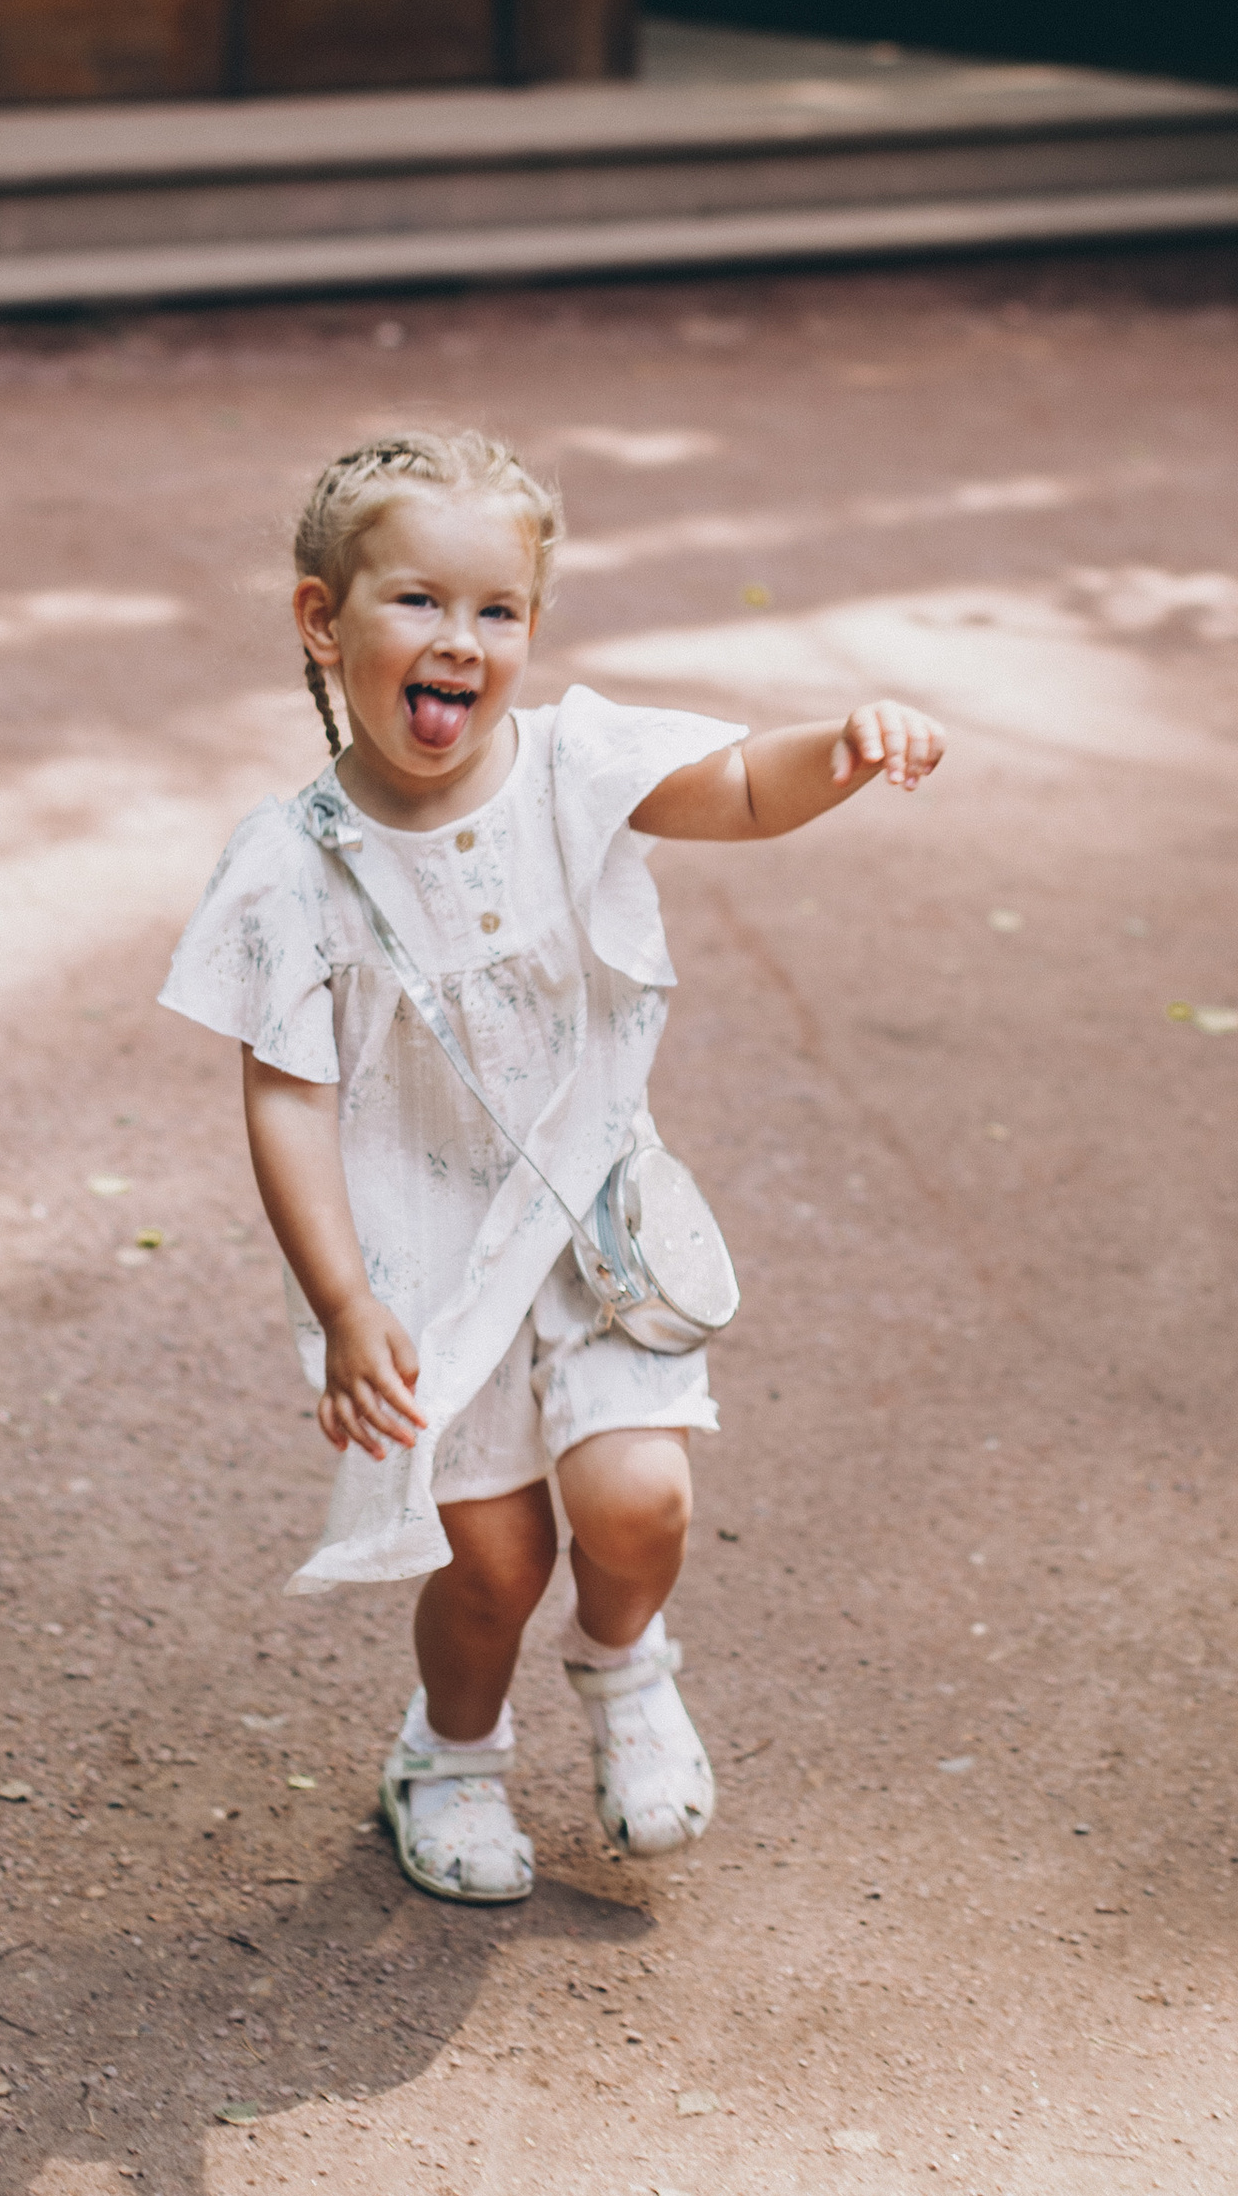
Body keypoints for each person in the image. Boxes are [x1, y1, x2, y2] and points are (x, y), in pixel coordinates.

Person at [160, 428, 946, 1907]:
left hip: (594, 1221)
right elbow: (284, 1097)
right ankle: (448, 1755)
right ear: (322, 619)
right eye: (415, 603)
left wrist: (840, 749)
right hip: (418, 1261)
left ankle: (626, 1663)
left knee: (638, 1497)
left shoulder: (573, 767)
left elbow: (742, 789)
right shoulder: (288, 867)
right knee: (495, 1562)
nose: (460, 641)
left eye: (498, 611)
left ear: (530, 627)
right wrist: (341, 1304)